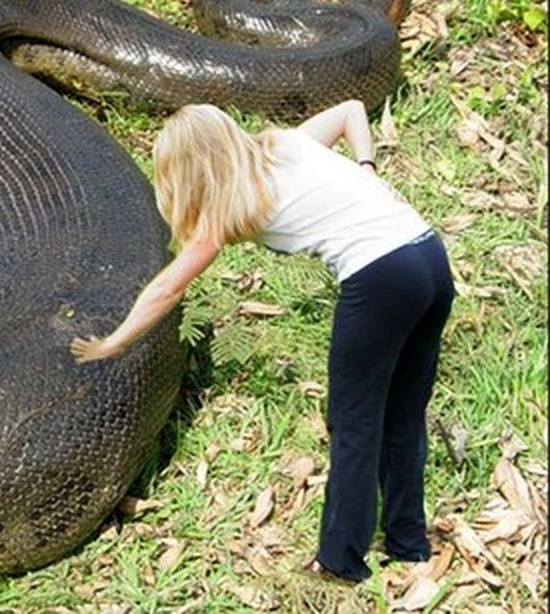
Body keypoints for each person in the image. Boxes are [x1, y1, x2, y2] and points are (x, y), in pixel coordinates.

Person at [69, 100, 454, 582]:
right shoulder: (287, 144)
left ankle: (340, 562)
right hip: (430, 256)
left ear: (187, 169)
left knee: (352, 422)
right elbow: (353, 110)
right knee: (402, 413)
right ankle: (408, 544)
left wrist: (115, 340)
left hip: (381, 276)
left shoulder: (227, 208)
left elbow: (168, 286)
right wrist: (367, 167)